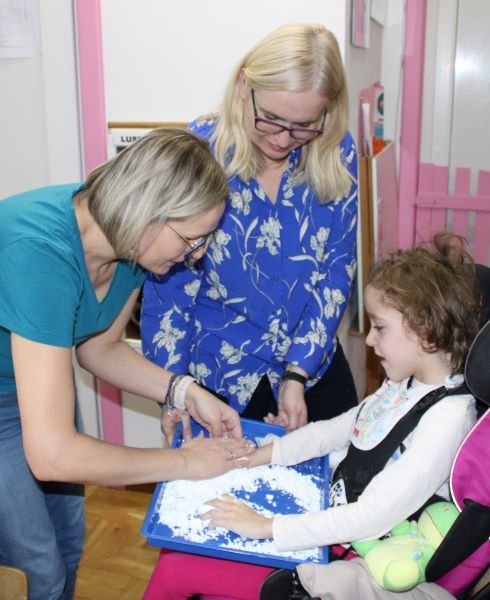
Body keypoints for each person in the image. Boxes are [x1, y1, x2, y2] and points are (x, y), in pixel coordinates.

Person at [142, 231, 481, 600]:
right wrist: (266, 454)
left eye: (380, 327)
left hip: (346, 561)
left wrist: (267, 526)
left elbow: (371, 516)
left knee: (176, 570)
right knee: (177, 554)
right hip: (327, 527)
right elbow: (337, 430)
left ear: (425, 331)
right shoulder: (405, 385)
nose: (369, 339)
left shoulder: (447, 418)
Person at [0, 127, 256, 600]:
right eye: (191, 239)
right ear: (148, 212)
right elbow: (53, 455)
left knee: (68, 543)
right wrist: (183, 462)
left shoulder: (130, 247)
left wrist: (185, 391)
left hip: (26, 382)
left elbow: (99, 348)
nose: (196, 256)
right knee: (35, 570)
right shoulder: (40, 252)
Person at [141, 23, 359, 433]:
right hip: (219, 377)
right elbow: (169, 287)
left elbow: (337, 270)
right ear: (244, 85)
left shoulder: (337, 151)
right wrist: (173, 392)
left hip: (310, 364)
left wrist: (297, 372)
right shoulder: (201, 150)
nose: (283, 139)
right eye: (271, 119)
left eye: (303, 125)